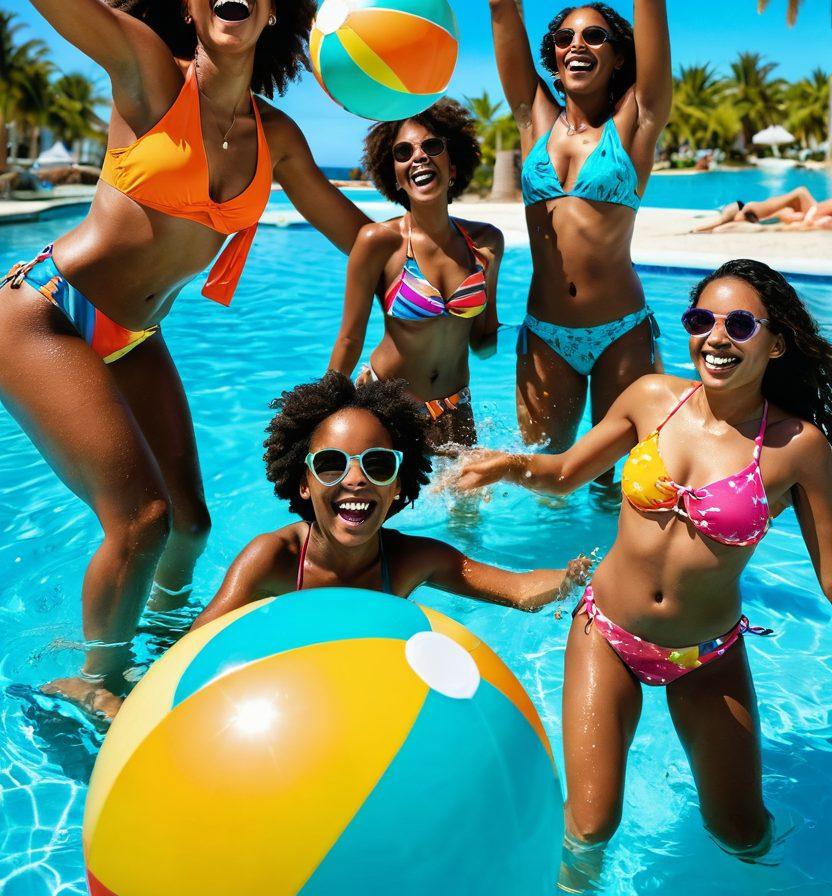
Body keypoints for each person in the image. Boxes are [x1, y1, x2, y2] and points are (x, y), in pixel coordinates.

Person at [0, 0, 367, 718]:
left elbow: (359, 238)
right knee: (141, 521)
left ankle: (156, 638)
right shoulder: (146, 70)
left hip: (133, 336)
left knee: (189, 528)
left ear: (274, 7)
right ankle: (93, 680)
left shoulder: (279, 138)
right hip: (45, 313)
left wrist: (437, 260)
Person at [454, 259, 832, 891]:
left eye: (739, 324)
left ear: (777, 341)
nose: (716, 338)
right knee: (592, 825)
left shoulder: (800, 448)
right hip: (609, 634)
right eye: (700, 320)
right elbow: (565, 472)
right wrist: (506, 465)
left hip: (706, 653)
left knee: (741, 833)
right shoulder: (653, 397)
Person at [434, 0, 671, 457]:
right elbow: (501, 6)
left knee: (608, 487)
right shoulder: (534, 117)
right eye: (565, 37)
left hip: (622, 328)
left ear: (618, 55)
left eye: (595, 36)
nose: (577, 45)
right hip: (545, 333)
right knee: (543, 478)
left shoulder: (639, 119)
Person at [193, 372, 589, 625]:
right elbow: (196, 645)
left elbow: (519, 590)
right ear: (303, 482)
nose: (356, 480)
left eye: (378, 465)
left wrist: (576, 580)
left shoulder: (408, 561)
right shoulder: (273, 559)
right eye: (331, 464)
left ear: (398, 484)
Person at [328, 101, 503, 446]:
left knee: (467, 502)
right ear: (395, 177)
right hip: (388, 405)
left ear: (452, 166)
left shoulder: (486, 243)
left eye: (432, 146)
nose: (418, 156)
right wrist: (320, 410)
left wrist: (534, 336)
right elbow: (349, 340)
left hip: (455, 407)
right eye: (403, 151)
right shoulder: (379, 241)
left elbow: (483, 342)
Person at [693, 186, 823, 232]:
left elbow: (719, 224)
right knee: (817, 214)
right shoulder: (749, 211)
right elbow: (719, 224)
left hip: (797, 198)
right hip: (798, 196)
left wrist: (697, 230)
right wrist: (697, 230)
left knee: (815, 215)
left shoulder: (749, 211)